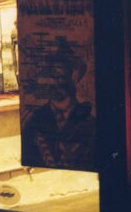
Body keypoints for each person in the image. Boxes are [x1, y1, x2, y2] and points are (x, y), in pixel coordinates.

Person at [21, 37, 95, 170]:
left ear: (74, 77)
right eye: (50, 76)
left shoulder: (90, 123)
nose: (53, 82)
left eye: (59, 76)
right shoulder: (33, 123)